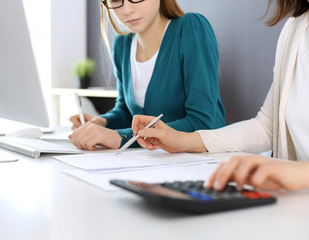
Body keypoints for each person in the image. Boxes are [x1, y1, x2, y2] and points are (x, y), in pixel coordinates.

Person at [132, 0, 309, 191]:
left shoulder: (191, 27)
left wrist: (298, 173)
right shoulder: (296, 27)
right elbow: (266, 127)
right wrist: (183, 140)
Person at [69, 0, 225, 150]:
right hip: (156, 160)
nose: (126, 10)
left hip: (205, 160)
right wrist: (102, 122)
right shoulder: (122, 45)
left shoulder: (191, 28)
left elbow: (202, 122)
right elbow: (125, 111)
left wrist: (120, 137)